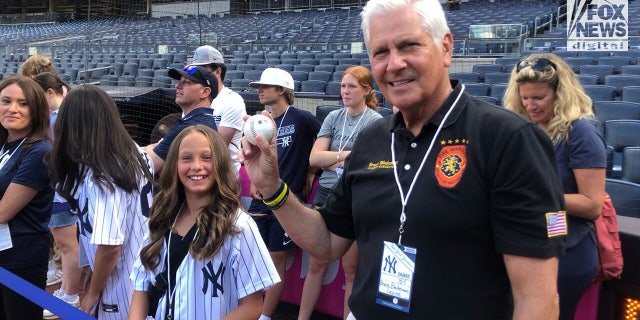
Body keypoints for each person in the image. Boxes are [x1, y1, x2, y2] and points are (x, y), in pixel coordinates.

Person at [239, 0, 566, 318]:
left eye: (409, 46)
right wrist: (271, 186)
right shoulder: (371, 140)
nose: (393, 64)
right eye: (380, 52)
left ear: (446, 48)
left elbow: (537, 300)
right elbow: (326, 243)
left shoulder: (510, 140)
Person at [129, 124, 280, 320]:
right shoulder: (161, 216)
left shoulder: (239, 225)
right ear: (174, 164)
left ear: (220, 163)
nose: (196, 166)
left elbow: (252, 305)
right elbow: (141, 287)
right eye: (186, 158)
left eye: (207, 158)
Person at [503, 53, 605, 320]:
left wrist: (540, 197)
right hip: (530, 245)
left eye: (538, 98)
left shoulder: (581, 131)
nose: (530, 105)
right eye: (524, 98)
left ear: (560, 94)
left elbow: (592, 204)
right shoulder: (526, 128)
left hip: (568, 252)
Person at [46, 84, 154, 319]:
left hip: (120, 281)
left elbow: (109, 247)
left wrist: (92, 293)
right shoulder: (135, 151)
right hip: (145, 269)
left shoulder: (102, 174)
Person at [300, 65, 382, 320]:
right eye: (343, 86)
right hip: (326, 194)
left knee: (350, 269)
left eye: (351, 86)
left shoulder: (376, 122)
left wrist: (332, 159)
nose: (345, 91)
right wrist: (347, 156)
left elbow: (368, 165)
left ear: (366, 90)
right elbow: (314, 158)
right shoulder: (334, 117)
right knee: (316, 264)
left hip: (354, 196)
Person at [247, 67, 321, 320]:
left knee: (277, 257)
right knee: (255, 257)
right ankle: (252, 310)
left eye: (265, 86)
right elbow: (256, 158)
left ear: (282, 90)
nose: (259, 89)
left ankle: (266, 317)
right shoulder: (260, 122)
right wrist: (256, 182)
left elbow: (324, 142)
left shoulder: (301, 118)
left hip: (288, 202)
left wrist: (312, 171)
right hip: (261, 200)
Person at [0, 76, 53, 320]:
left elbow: (3, 212)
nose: (12, 109)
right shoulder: (6, 146)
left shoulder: (38, 151)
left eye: (23, 103)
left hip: (21, 260)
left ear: (37, 109)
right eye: (6, 101)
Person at [33, 72, 82, 319]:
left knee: (67, 245)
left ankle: (70, 294)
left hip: (62, 190)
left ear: (50, 93)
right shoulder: (59, 116)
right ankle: (67, 291)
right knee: (65, 244)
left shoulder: (58, 118)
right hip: (61, 189)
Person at [18, 54, 66, 288]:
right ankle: (54, 265)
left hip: (61, 183)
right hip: (45, 182)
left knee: (63, 238)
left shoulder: (60, 112)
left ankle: (61, 271)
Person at [144, 65, 219, 174]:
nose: (177, 85)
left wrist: (150, 148)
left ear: (204, 92)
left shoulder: (191, 126)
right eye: (180, 81)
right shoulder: (201, 119)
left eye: (187, 82)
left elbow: (148, 166)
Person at [188, 45, 247, 173]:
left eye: (202, 69)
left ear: (218, 71)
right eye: (195, 69)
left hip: (224, 180)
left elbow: (216, 148)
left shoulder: (232, 100)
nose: (198, 74)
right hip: (197, 175)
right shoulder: (194, 100)